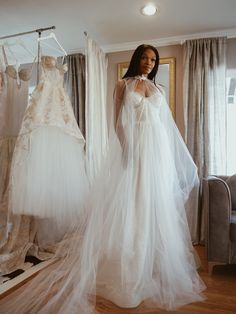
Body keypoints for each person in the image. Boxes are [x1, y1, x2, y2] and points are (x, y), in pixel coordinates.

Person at [0, 45, 206, 314]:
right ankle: (130, 266)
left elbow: (165, 126)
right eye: (144, 57)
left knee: (154, 206)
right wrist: (128, 149)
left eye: (153, 59)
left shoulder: (158, 90)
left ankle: (153, 264)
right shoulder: (122, 85)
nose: (148, 62)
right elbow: (117, 122)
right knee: (133, 205)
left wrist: (168, 159)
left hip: (157, 154)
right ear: (136, 59)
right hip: (135, 150)